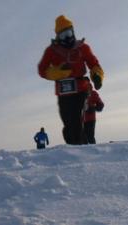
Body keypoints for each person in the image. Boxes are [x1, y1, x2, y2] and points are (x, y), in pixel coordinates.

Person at [38, 15, 105, 145]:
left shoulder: (83, 48)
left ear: (73, 31)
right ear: (58, 36)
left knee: (76, 119)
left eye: (69, 33)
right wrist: (57, 73)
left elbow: (93, 63)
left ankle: (82, 150)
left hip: (81, 89)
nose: (67, 37)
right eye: (63, 35)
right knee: (68, 124)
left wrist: (97, 76)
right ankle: (76, 148)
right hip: (63, 92)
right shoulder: (51, 51)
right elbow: (42, 70)